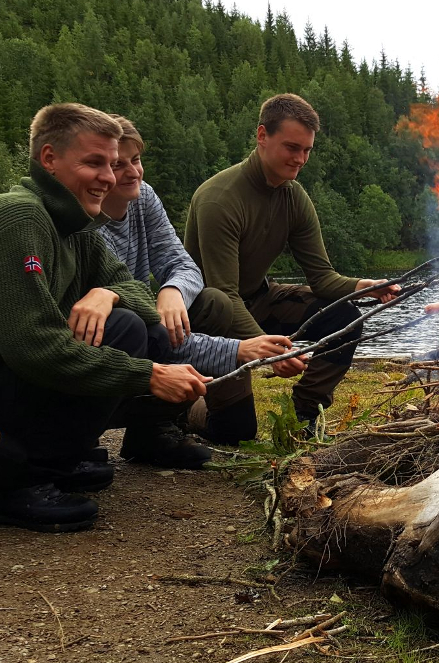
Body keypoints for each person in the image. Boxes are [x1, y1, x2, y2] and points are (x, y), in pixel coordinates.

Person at [0, 103, 210, 532]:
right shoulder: (16, 217)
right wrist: (148, 376)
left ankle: (59, 460)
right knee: (122, 334)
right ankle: (10, 489)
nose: (108, 176)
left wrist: (108, 292)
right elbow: (34, 348)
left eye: (113, 163)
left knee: (133, 327)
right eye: (94, 162)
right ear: (49, 159)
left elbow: (141, 295)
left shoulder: (74, 227)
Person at [184, 93, 398, 444]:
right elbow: (224, 293)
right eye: (292, 147)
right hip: (209, 319)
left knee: (344, 316)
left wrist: (364, 286)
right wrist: (271, 352)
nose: (300, 159)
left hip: (258, 299)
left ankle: (304, 415)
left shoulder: (293, 197)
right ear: (262, 136)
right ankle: (185, 407)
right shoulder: (219, 199)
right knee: (234, 432)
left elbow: (323, 279)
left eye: (307, 150)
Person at [96, 115, 307, 462]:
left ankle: (158, 428)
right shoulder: (82, 222)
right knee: (131, 325)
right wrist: (242, 349)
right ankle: (97, 433)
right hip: (114, 335)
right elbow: (123, 305)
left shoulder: (143, 198)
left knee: (212, 303)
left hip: (145, 322)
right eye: (118, 165)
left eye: (136, 160)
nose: (133, 173)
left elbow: (183, 264)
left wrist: (173, 290)